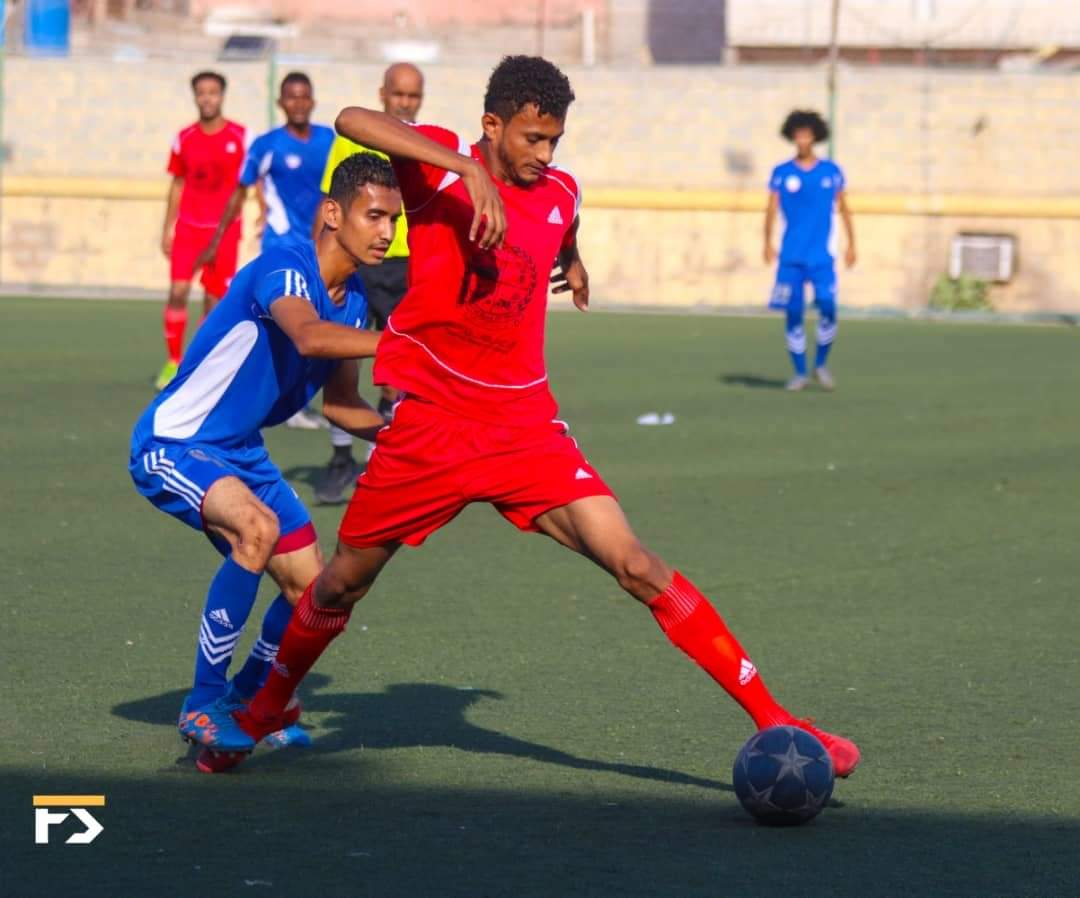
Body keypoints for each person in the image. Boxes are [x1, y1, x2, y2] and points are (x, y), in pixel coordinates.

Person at [203, 57, 860, 779]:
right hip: (432, 427)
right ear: (493, 126)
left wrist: (573, 261)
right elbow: (353, 122)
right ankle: (263, 712)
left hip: (524, 427)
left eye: (555, 139)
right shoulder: (441, 176)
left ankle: (778, 719)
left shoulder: (561, 189)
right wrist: (464, 163)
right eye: (531, 139)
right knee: (339, 586)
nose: (545, 155)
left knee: (637, 563)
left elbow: (561, 220)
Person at [129, 154, 400, 766]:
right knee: (259, 530)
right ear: (334, 213)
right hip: (175, 440)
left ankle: (254, 701)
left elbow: (343, 404)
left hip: (240, 451)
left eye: (393, 219)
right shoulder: (286, 265)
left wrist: (403, 433)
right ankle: (202, 701)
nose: (386, 231)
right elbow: (307, 335)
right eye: (374, 215)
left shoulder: (354, 301)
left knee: (316, 587)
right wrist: (405, 345)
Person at [196, 71, 336, 429]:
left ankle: (291, 401)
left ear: (313, 101)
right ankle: (272, 401)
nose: (298, 103)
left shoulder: (330, 141)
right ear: (281, 103)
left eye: (304, 96)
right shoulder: (266, 145)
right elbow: (239, 192)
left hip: (319, 249)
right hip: (281, 247)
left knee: (317, 326)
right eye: (291, 97)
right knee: (285, 326)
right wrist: (215, 241)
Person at [314, 62, 426, 504]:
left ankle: (384, 462)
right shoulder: (351, 140)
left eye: (414, 96)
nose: (405, 102)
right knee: (341, 361)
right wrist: (315, 259)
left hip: (405, 268)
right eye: (399, 94)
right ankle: (342, 458)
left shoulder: (425, 143)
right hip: (357, 263)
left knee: (395, 372)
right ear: (383, 93)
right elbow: (331, 199)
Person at [157, 71, 247, 391]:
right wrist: (167, 226)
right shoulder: (184, 138)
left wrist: (262, 212)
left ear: (222, 96)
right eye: (201, 92)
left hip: (224, 233)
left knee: (214, 301)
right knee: (178, 291)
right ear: (195, 96)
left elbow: (248, 183)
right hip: (189, 229)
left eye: (213, 92)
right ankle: (173, 362)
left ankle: (199, 365)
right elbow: (177, 182)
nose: (207, 98)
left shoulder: (240, 136)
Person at [763, 109, 856, 392]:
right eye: (798, 134)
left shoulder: (831, 172)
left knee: (828, 308)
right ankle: (801, 371)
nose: (803, 139)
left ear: (815, 137)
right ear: (792, 136)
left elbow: (845, 208)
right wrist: (766, 242)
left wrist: (853, 243)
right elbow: (770, 209)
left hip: (821, 257)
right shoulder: (782, 173)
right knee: (793, 314)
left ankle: (821, 363)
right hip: (791, 257)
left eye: (807, 133)